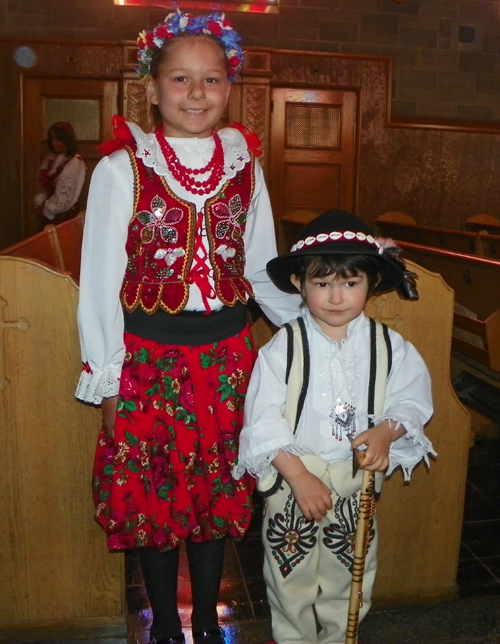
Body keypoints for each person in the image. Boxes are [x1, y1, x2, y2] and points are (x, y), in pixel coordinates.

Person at [75, 10, 299, 644]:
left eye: (212, 80)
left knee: (218, 488)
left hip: (229, 358)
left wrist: (308, 329)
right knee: (153, 494)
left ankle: (206, 616)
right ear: (151, 87)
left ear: (230, 87)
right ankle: (166, 626)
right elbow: (99, 285)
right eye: (180, 79)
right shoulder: (122, 170)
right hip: (149, 361)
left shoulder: (245, 169)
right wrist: (108, 376)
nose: (197, 94)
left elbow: (261, 272)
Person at [234, 210, 436, 644]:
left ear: (370, 284)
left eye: (350, 283)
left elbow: (411, 399)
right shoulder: (282, 347)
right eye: (322, 283)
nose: (336, 296)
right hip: (294, 479)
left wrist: (386, 432)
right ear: (299, 285)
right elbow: (263, 418)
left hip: (355, 477)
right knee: (290, 577)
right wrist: (299, 476)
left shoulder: (389, 346)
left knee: (351, 573)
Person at [32, 121, 86, 229]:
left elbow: (64, 199)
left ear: (67, 140)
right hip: (50, 217)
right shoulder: (51, 159)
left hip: (65, 219)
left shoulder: (74, 162)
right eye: (52, 139)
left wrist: (45, 208)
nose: (54, 143)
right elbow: (43, 187)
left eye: (58, 139)